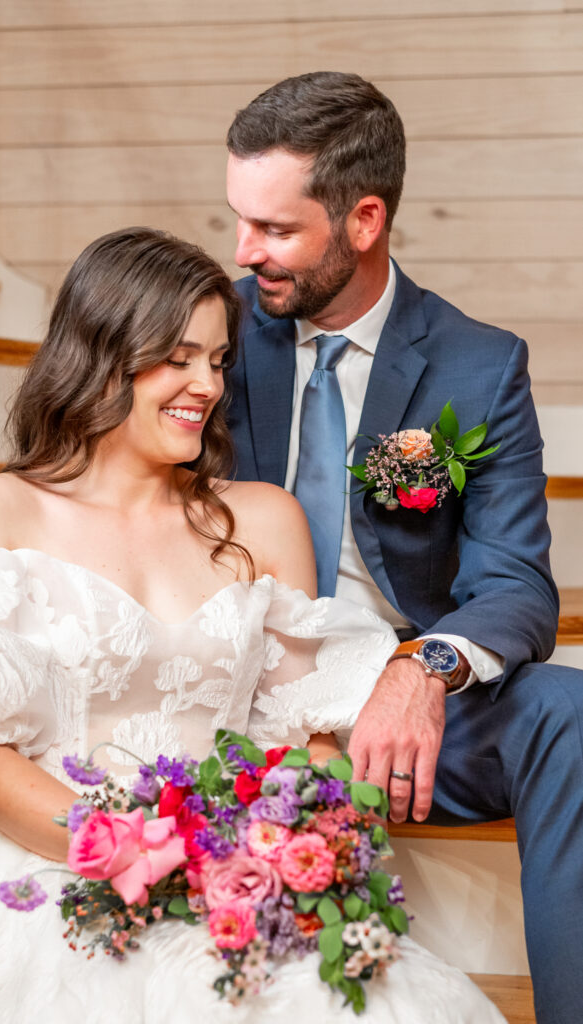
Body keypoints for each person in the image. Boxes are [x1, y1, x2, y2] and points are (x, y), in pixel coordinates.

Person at [0, 227, 505, 1022]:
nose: (207, 385)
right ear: (101, 353)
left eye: (218, 361)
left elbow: (305, 735)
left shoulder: (262, 519)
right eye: (179, 358)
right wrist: (135, 854)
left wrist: (306, 841)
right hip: (53, 864)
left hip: (236, 873)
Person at [224, 71, 583, 1024]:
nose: (243, 251)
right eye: (238, 220)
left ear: (364, 219)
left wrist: (422, 668)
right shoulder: (210, 330)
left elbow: (516, 584)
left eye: (274, 228)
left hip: (397, 712)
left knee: (568, 712)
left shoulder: (478, 363)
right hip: (230, 686)